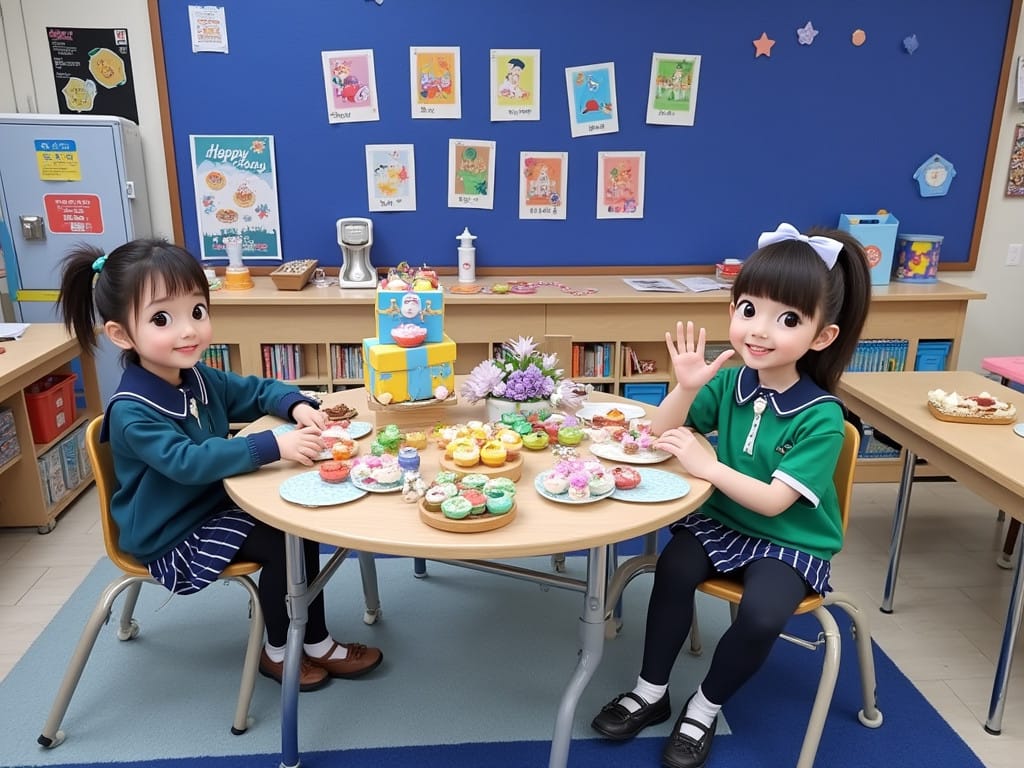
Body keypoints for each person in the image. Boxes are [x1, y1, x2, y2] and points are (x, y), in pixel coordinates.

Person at [591, 222, 872, 768]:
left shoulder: (823, 418)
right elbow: (656, 433)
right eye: (748, 309)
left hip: (791, 540)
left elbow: (773, 503)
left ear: (821, 337)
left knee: (763, 616)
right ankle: (651, 691)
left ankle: (704, 706)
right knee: (673, 568)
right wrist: (687, 386)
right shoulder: (728, 381)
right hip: (724, 522)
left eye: (787, 319)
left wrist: (708, 465)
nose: (758, 331)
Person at [58, 238, 383, 692]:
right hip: (171, 532)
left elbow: (254, 390)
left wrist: (295, 405)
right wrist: (274, 444)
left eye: (197, 311)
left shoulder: (195, 376)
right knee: (283, 541)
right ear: (121, 335)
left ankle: (313, 639)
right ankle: (279, 651)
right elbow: (187, 462)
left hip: (210, 504)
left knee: (298, 526)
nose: (189, 330)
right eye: (161, 319)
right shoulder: (132, 410)